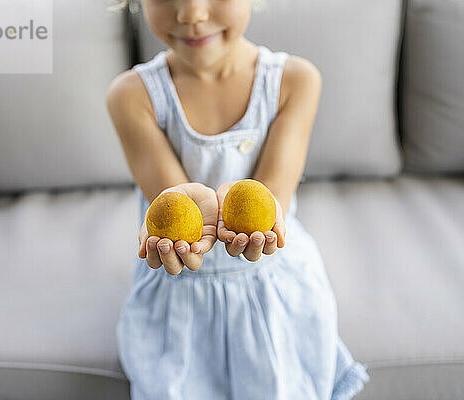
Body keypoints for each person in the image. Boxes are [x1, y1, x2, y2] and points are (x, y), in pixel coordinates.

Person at [105, 0, 369, 398]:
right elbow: (174, 208)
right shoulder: (131, 95)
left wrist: (249, 210)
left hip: (271, 281)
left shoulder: (295, 81)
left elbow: (271, 199)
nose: (191, 14)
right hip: (180, 291)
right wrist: (194, 210)